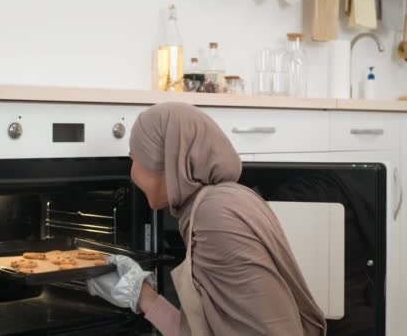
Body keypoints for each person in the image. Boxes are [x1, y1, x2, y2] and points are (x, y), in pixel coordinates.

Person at [87, 102, 326, 336]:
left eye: (134, 158)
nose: (132, 173)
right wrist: (142, 296)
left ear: (164, 161)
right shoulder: (228, 199)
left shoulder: (215, 214)